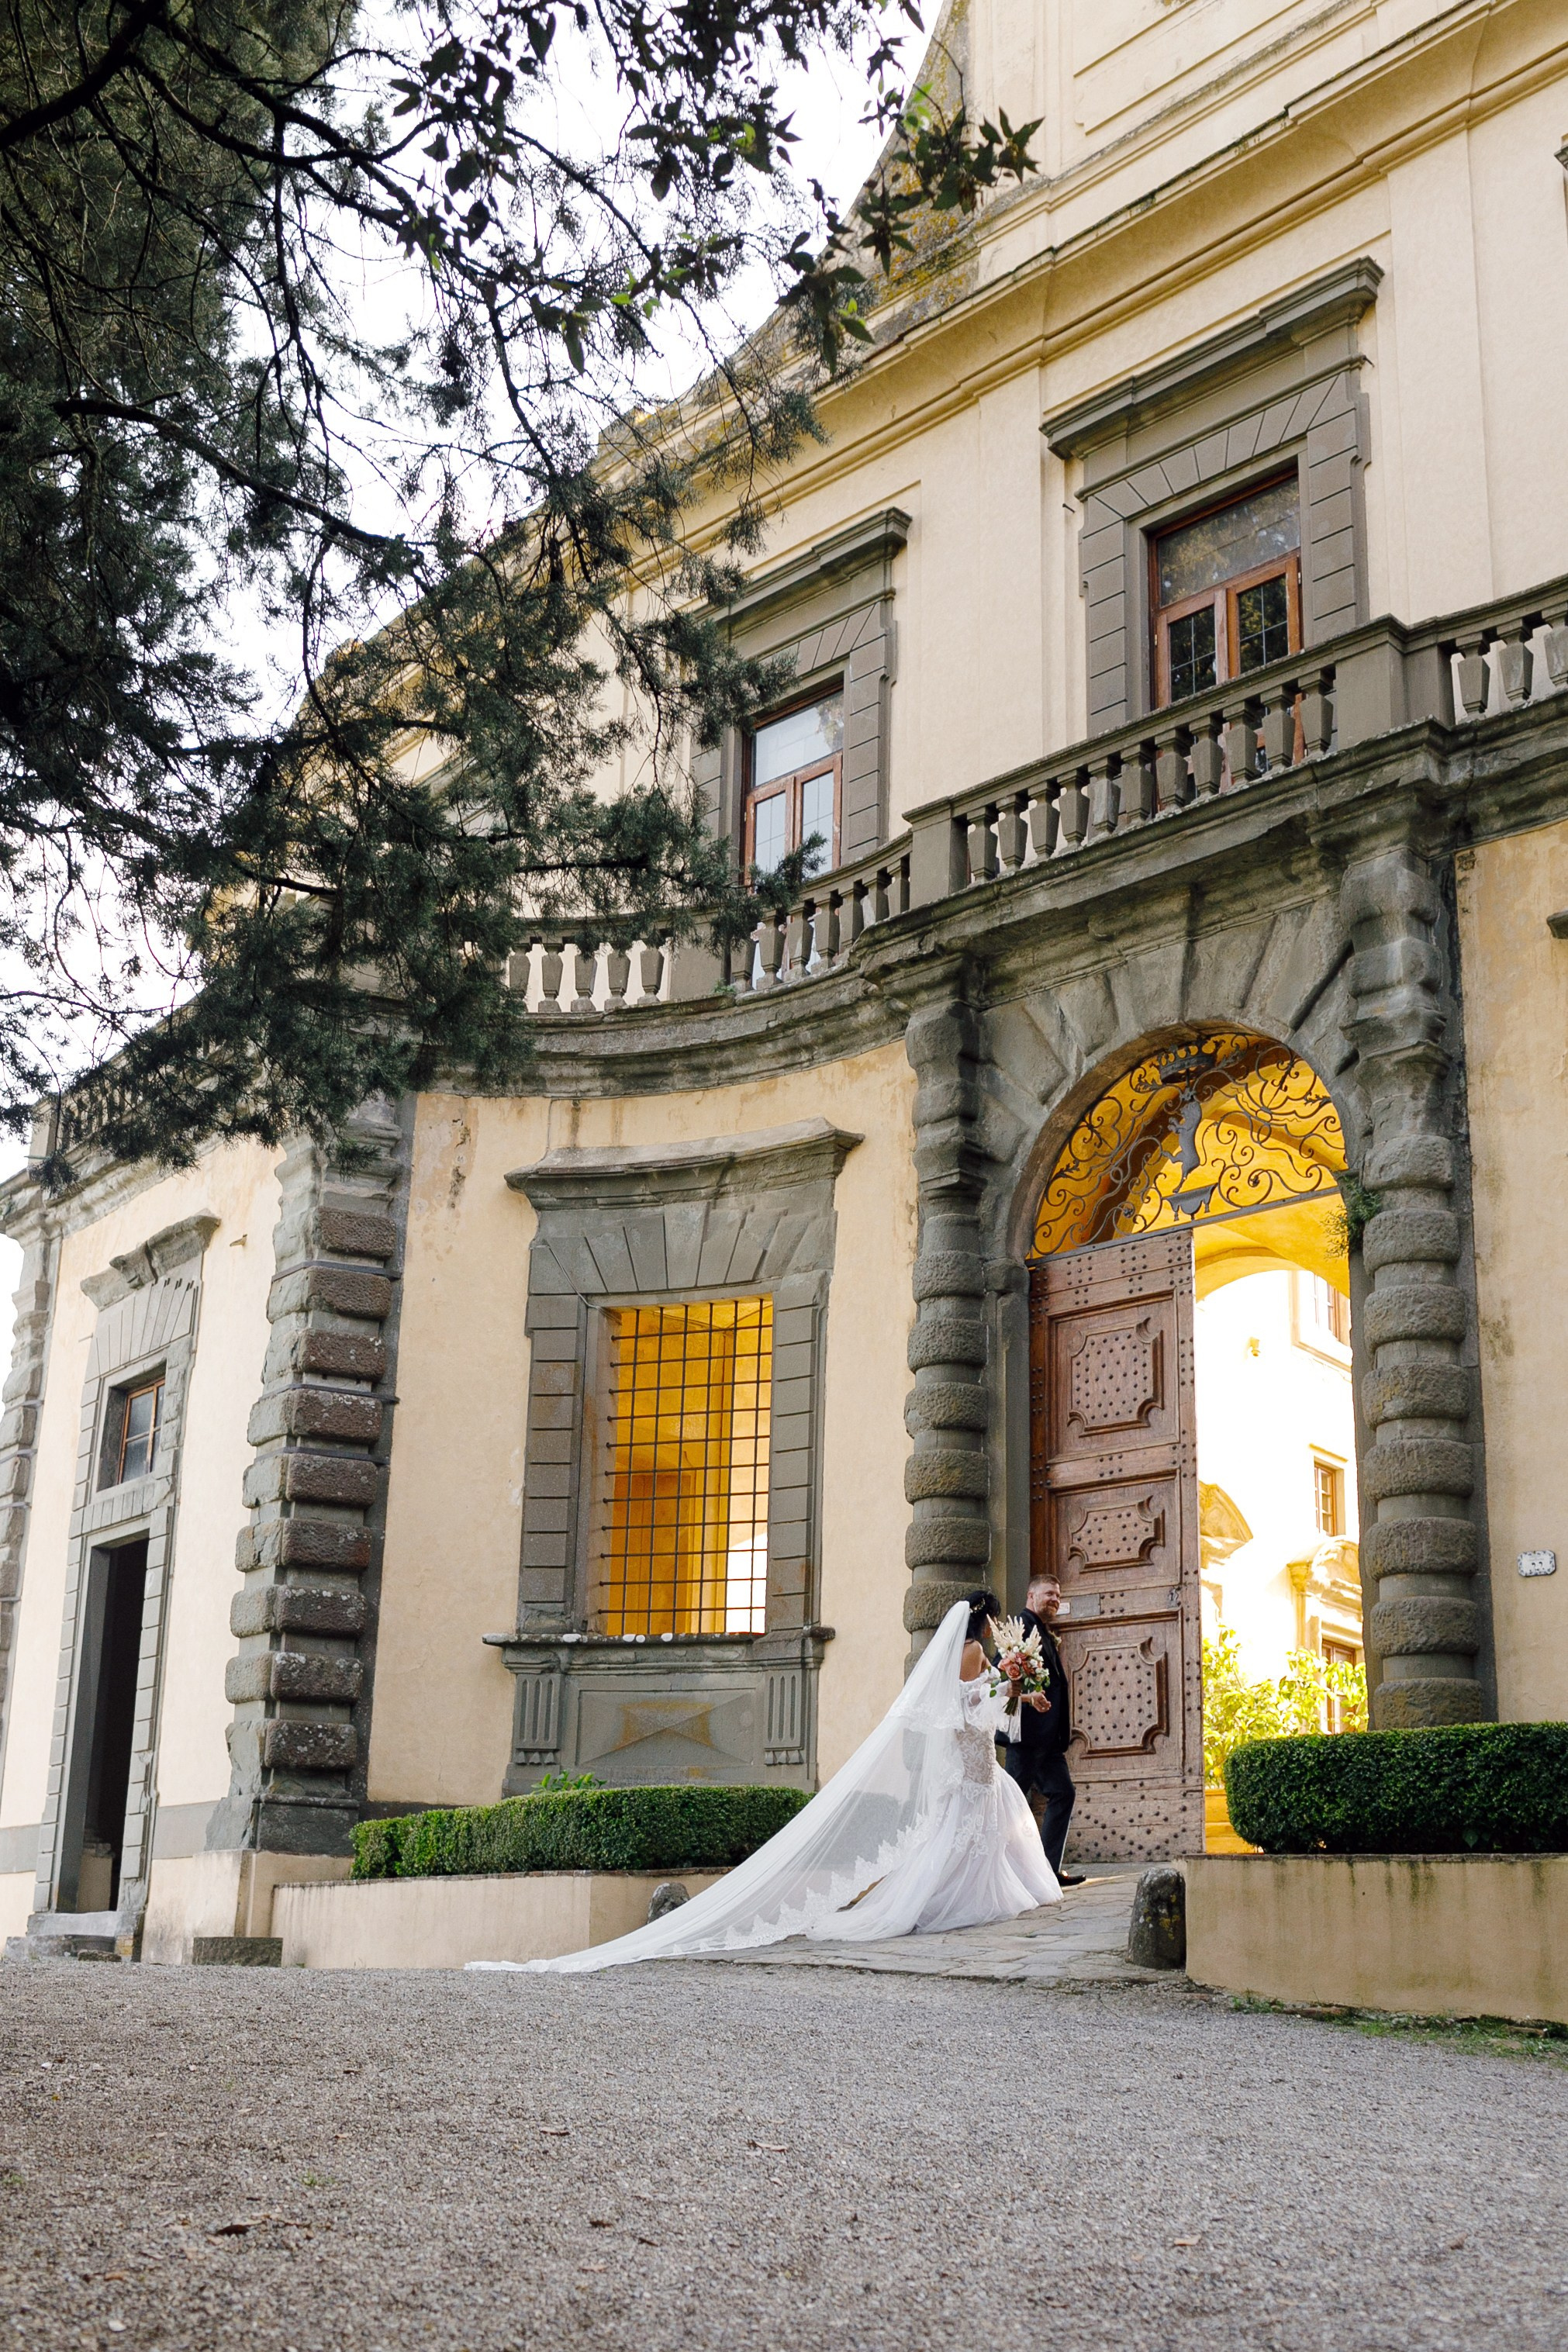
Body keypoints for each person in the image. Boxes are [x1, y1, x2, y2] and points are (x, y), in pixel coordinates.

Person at [468, 1593, 1060, 1977]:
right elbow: (963, 1707)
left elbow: (968, 1705)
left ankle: (955, 1899)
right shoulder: (975, 1650)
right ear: (985, 1619)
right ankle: (940, 1903)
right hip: (969, 1756)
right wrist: (1007, 1687)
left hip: (974, 1760)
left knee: (969, 1833)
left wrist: (1010, 1690)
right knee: (955, 1837)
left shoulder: (973, 1654)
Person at [996, 1573, 1085, 1887]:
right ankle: (996, 1871)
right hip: (1027, 1737)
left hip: (1048, 1741)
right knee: (1010, 1802)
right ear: (1031, 1596)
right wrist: (1028, 1697)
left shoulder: (1045, 1632)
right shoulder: (1019, 1629)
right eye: (1049, 1594)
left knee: (1063, 1793)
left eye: (1058, 1596)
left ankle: (1047, 1872)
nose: (1055, 1600)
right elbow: (1000, 1680)